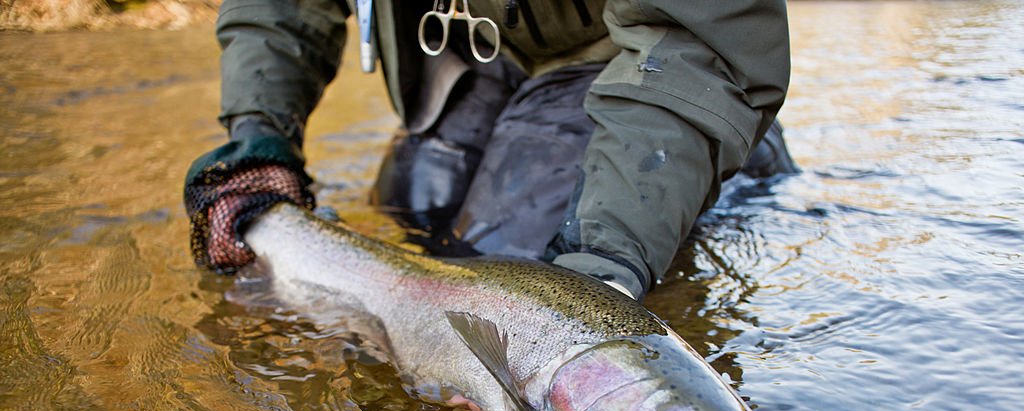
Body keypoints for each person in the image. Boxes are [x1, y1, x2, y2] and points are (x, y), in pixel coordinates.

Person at [184, 0, 797, 301]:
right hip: (467, 49)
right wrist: (259, 130)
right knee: (415, 213)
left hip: (631, 60)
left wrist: (600, 271)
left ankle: (733, 149)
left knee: (510, 268)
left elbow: (698, 33)